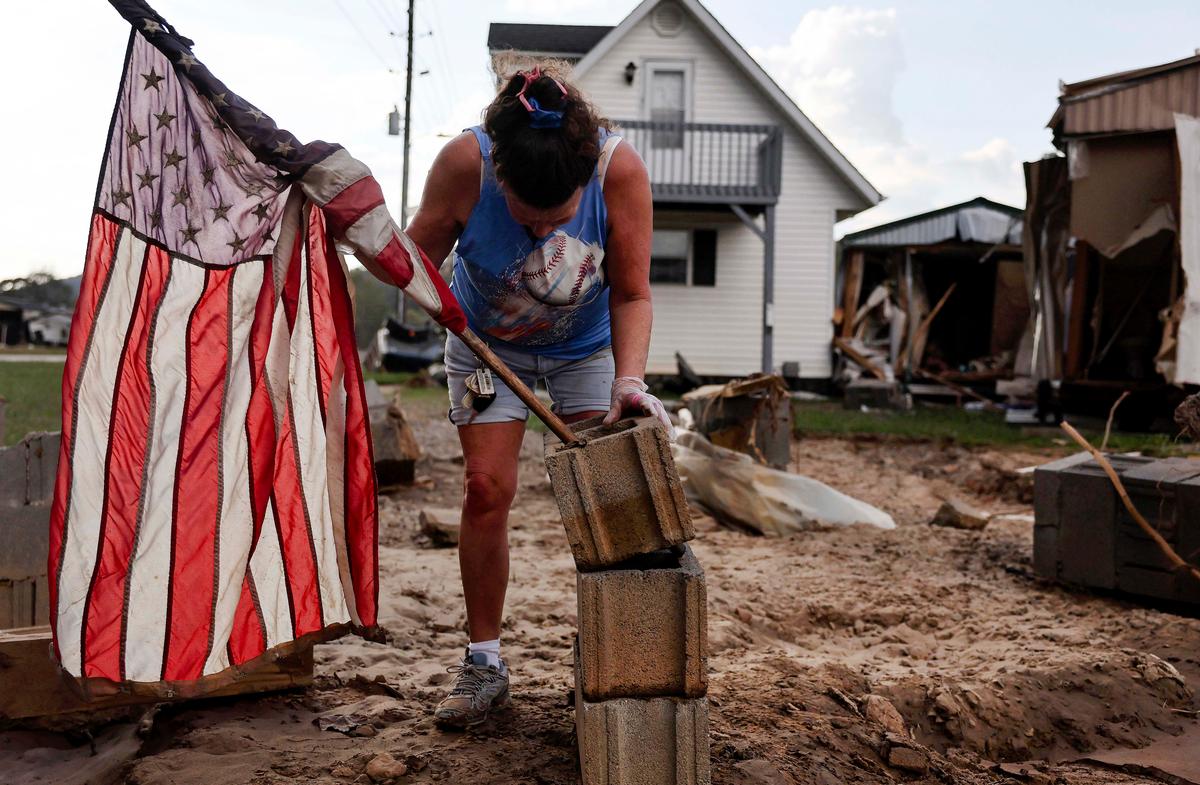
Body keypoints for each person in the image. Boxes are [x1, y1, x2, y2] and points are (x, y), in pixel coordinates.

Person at [402, 64, 673, 728]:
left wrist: (629, 381)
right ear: (499, 180)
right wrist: (412, 285)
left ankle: (616, 661)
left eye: (561, 219)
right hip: (485, 346)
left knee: (614, 494)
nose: (544, 235)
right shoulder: (464, 163)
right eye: (529, 221)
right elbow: (411, 262)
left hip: (585, 350)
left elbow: (632, 291)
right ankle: (485, 663)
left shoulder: (620, 172)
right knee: (486, 489)